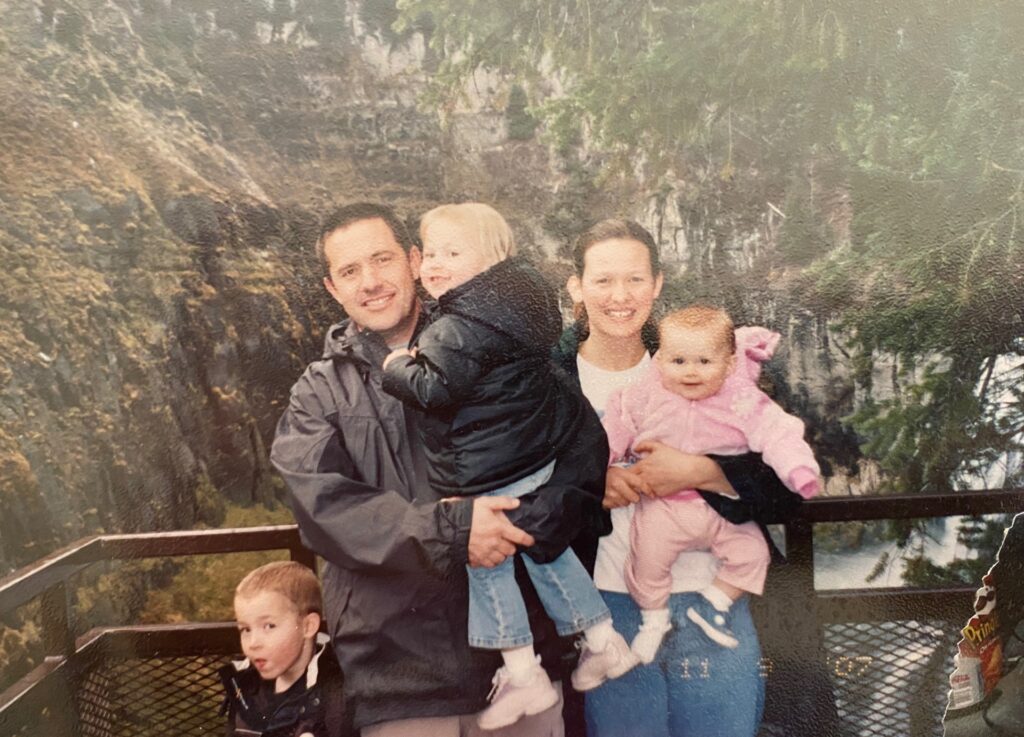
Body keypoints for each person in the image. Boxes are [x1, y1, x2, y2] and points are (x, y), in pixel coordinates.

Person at [270, 202, 607, 737]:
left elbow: (583, 450)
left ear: (413, 260)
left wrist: (529, 524)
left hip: (525, 670)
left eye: (382, 260)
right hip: (401, 681)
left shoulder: (494, 339)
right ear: (333, 288)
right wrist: (457, 532)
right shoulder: (319, 391)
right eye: (351, 271)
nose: (372, 281)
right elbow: (324, 508)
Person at [380, 203, 636, 730]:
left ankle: (523, 672)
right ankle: (602, 639)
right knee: (548, 558)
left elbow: (434, 388)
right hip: (528, 461)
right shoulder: (519, 313)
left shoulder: (456, 326)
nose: (435, 263)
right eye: (431, 252)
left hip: (487, 472)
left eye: (453, 252)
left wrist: (397, 367)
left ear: (490, 262)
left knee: (487, 564)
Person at [551, 218, 808, 737]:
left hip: (714, 600)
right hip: (606, 609)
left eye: (635, 280)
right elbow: (515, 484)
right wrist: (589, 488)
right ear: (576, 287)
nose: (620, 296)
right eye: (603, 280)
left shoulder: (711, 365)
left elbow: (789, 491)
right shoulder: (546, 383)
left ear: (658, 284)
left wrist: (704, 471)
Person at [603, 306, 821, 663]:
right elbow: (612, 431)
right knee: (647, 562)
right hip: (664, 508)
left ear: (730, 364)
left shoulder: (742, 400)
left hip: (721, 510)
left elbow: (779, 432)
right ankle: (653, 621)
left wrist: (799, 469)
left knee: (754, 555)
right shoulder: (643, 396)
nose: (691, 371)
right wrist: (600, 470)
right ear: (659, 362)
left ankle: (713, 605)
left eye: (704, 362)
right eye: (679, 361)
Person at [219, 561, 350, 737]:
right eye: (246, 629)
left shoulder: (337, 692)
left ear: (308, 626)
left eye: (269, 626)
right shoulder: (244, 685)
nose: (253, 643)